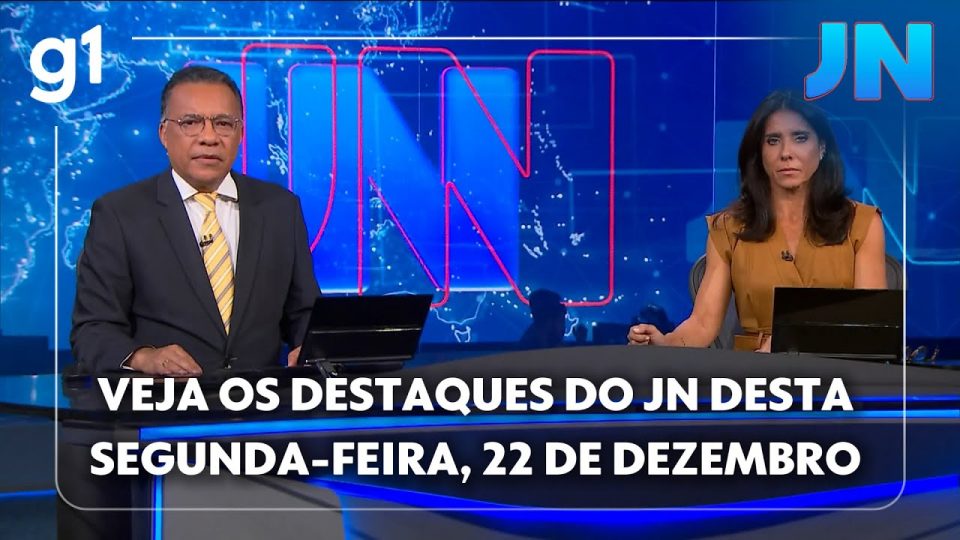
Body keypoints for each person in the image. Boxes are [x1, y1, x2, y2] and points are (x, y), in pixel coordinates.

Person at [70, 65, 320, 375]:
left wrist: (308, 346)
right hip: (165, 399)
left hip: (260, 398)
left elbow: (304, 312)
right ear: (163, 134)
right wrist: (144, 358)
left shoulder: (280, 208)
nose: (209, 137)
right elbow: (93, 328)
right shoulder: (120, 214)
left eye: (223, 123)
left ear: (241, 133)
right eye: (190, 122)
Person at [628, 90, 886, 352]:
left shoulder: (862, 223)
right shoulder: (728, 228)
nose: (786, 153)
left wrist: (794, 339)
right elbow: (703, 325)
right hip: (754, 370)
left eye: (800, 138)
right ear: (760, 153)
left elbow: (870, 326)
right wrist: (664, 343)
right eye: (773, 141)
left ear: (822, 148)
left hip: (835, 370)